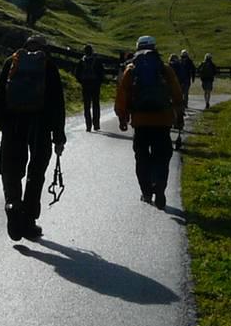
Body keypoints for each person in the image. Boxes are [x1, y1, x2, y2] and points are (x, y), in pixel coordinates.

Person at [0, 34, 66, 241]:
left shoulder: (11, 62)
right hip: (40, 126)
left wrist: (4, 124)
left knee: (10, 168)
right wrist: (58, 135)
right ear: (44, 49)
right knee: (36, 172)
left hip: (13, 125)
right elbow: (57, 104)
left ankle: (13, 204)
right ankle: (29, 220)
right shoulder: (48, 66)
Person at [115, 35, 185, 208]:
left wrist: (123, 118)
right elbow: (177, 93)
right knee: (162, 155)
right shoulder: (164, 68)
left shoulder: (131, 69)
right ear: (155, 48)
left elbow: (122, 95)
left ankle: (146, 192)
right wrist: (178, 114)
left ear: (138, 48)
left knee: (142, 157)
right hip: (163, 121)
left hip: (140, 122)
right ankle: (159, 186)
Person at [74, 44, 104, 132]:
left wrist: (82, 81)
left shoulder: (81, 61)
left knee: (86, 106)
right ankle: (96, 124)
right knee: (96, 105)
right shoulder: (97, 61)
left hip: (85, 85)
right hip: (95, 85)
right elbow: (102, 73)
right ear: (92, 51)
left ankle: (88, 126)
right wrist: (99, 82)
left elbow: (77, 73)